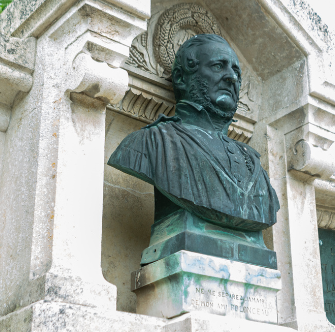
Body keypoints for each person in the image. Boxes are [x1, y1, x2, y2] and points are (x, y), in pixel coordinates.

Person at [108, 34, 279, 232]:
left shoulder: (252, 160)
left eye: (237, 73)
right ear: (181, 78)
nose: (232, 77)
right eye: (218, 66)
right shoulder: (150, 142)